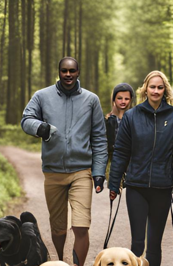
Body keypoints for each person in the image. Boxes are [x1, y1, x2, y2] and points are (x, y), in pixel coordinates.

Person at [20, 57, 108, 266]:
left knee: (81, 226)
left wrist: (98, 172)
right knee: (58, 228)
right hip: (53, 171)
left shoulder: (91, 100)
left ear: (78, 72)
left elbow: (99, 138)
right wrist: (40, 127)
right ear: (59, 72)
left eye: (72, 71)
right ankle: (60, 261)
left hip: (81, 171)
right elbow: (26, 119)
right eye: (64, 71)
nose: (68, 74)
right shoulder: (42, 96)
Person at [108, 71, 173, 266]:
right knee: (137, 243)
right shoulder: (131, 116)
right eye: (152, 87)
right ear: (145, 89)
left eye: (160, 87)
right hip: (136, 186)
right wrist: (114, 183)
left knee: (154, 244)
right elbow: (121, 152)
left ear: (165, 90)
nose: (156, 91)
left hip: (162, 187)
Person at [105, 83, 135, 163]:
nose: (123, 101)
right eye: (119, 98)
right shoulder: (106, 121)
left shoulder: (136, 120)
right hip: (111, 161)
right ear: (114, 99)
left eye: (126, 99)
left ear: (131, 100)